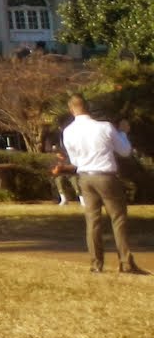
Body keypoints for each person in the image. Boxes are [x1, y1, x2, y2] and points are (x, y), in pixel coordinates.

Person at [61, 93, 147, 274]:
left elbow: (75, 161)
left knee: (92, 221)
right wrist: (123, 132)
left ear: (71, 109)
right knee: (118, 219)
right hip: (106, 176)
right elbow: (124, 151)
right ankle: (126, 263)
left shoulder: (68, 131)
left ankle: (96, 264)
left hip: (85, 177)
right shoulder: (104, 127)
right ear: (88, 107)